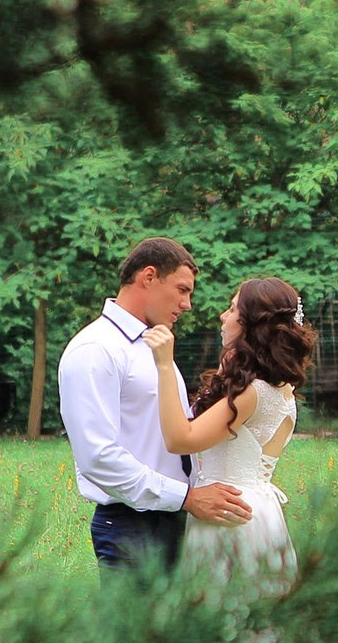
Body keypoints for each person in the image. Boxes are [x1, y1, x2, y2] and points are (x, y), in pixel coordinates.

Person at [56, 237, 253, 571]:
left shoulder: (155, 346)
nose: (187, 304)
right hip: (133, 527)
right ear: (148, 277)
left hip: (178, 519)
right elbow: (98, 457)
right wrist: (187, 498)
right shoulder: (95, 350)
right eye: (182, 290)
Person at [140, 275, 312, 588]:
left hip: (227, 512)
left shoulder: (252, 393)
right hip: (260, 510)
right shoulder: (280, 386)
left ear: (251, 324)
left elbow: (181, 439)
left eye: (232, 309)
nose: (223, 316)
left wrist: (164, 365)